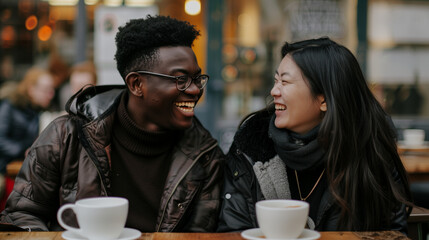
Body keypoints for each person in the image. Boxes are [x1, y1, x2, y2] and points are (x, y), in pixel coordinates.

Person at [0, 15, 225, 232]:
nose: (195, 90)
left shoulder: (206, 157)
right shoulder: (65, 136)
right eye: (181, 79)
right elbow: (21, 215)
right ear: (137, 84)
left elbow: (200, 234)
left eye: (197, 79)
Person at [217, 37, 412, 233]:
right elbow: (233, 230)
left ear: (324, 100)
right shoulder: (252, 147)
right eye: (276, 80)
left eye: (285, 81)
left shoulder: (369, 147)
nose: (274, 90)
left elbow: (392, 233)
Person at [0, 67, 55, 206]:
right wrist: (24, 150)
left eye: (52, 89)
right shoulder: (8, 106)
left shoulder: (36, 111)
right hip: (4, 169)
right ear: (31, 89)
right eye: (46, 90)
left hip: (20, 169)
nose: (51, 94)